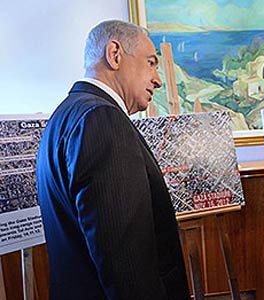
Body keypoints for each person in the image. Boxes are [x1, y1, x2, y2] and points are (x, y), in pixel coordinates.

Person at [36, 20, 190, 300]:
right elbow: (127, 264)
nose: (158, 79)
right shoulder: (102, 120)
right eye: (151, 63)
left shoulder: (66, 114)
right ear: (115, 54)